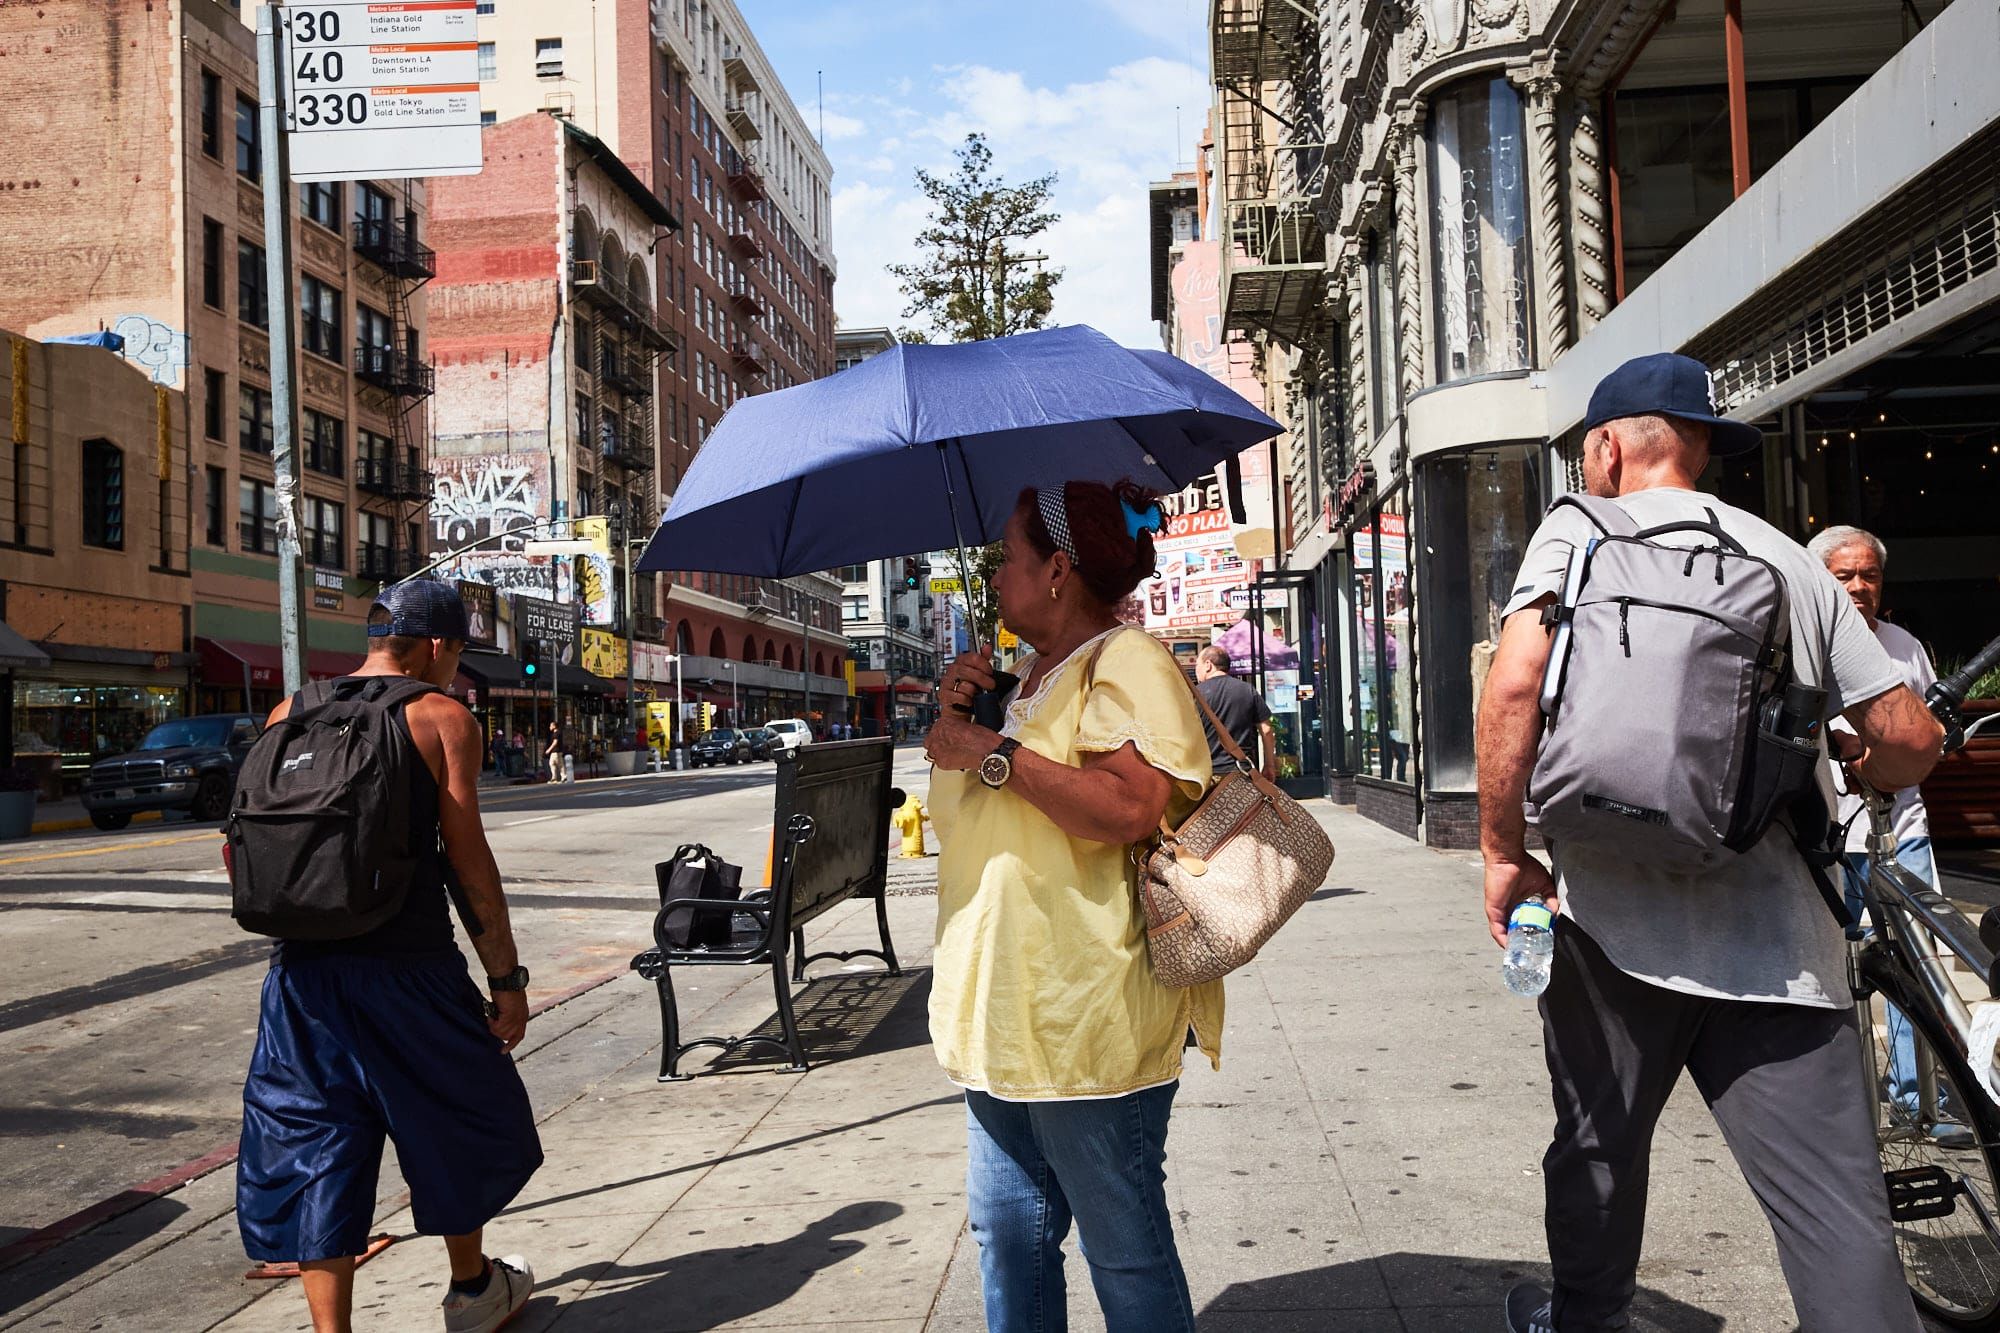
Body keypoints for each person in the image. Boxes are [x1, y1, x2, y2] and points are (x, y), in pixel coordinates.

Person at [1476, 354, 1944, 1333]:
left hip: (1606, 922)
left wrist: (1500, 848)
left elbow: (1514, 683)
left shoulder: (1574, 532)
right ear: (1697, 446)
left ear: (1605, 446)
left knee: (1596, 1146)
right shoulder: (1790, 563)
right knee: (1830, 1212)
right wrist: (1865, 771)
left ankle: (1587, 1317)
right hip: (1775, 946)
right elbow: (1906, 736)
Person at [924, 479, 1215, 1332]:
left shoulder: (1125, 661)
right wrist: (963, 720)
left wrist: (991, 749)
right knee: (1010, 1243)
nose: (997, 574)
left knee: (1124, 1251)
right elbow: (977, 825)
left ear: (1056, 569)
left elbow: (1128, 806)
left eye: (1006, 558)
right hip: (999, 1016)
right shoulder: (1018, 685)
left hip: (1086, 1017)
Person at [236, 579, 541, 1333]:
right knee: (457, 1120)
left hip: (301, 978)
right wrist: (505, 978)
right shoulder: (441, 717)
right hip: (410, 969)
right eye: (460, 653)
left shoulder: (288, 712)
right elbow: (470, 865)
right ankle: (472, 1292)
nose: (458, 668)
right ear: (437, 645)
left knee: (315, 1143)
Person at [1810, 524, 1965, 1139]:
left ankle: (1915, 1095)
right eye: (1843, 575)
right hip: (1830, 835)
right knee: (1832, 970)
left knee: (1915, 963)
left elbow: (1927, 731)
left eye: (1868, 575)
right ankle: (1842, 1106)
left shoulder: (1904, 646)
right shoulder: (1803, 644)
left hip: (1904, 832)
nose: (1858, 587)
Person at [1192, 644, 1278, 780]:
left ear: (1208, 665)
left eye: (1197, 665)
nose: (1196, 670)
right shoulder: (1247, 689)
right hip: (1242, 772)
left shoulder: (1196, 694)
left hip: (1207, 774)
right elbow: (1266, 731)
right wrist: (1269, 765)